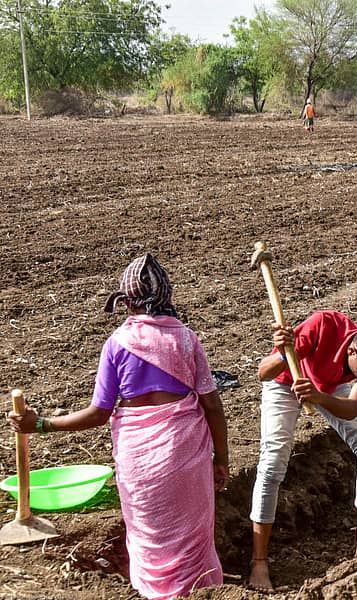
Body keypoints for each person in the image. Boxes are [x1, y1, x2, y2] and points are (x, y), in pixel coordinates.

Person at [7, 254, 229, 600]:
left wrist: (42, 424)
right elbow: (212, 405)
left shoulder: (118, 344)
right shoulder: (185, 339)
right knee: (190, 536)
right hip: (185, 453)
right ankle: (201, 592)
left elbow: (98, 413)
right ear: (167, 295)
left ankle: (156, 592)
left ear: (126, 300)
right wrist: (221, 458)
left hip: (138, 459)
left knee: (149, 535)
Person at [249, 312, 357, 591]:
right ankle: (258, 561)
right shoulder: (323, 326)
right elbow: (263, 373)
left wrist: (319, 397)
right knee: (273, 463)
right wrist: (285, 353)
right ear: (353, 349)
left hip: (327, 386)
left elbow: (352, 407)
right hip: (286, 382)